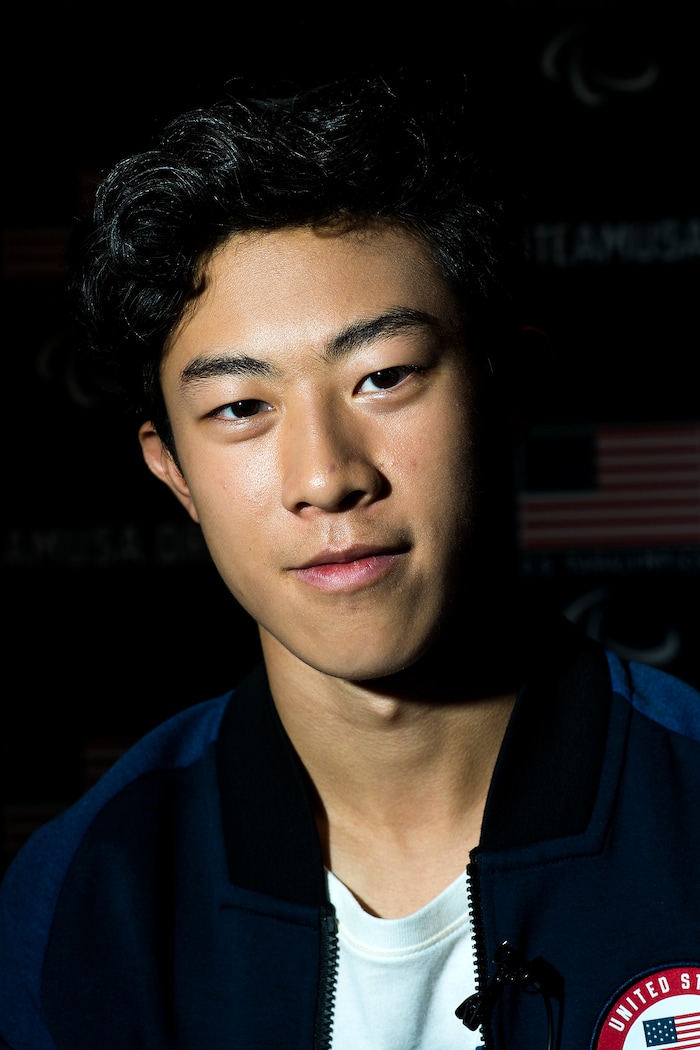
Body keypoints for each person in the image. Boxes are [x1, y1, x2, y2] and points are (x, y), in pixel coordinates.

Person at [0, 73, 698, 1050]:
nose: (325, 478)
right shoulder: (92, 886)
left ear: (508, 391)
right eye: (241, 408)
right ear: (172, 470)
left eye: (382, 377)